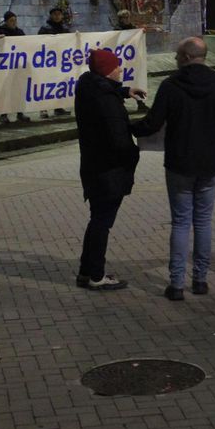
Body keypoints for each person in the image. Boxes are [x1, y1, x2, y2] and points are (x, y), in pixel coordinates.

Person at [131, 37, 215, 301]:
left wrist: (125, 127)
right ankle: (201, 280)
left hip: (180, 164)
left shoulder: (171, 85)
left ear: (185, 56)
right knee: (203, 222)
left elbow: (151, 123)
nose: (174, 59)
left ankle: (177, 284)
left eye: (177, 55)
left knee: (181, 223)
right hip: (210, 165)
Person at [74, 49, 146, 291]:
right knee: (102, 223)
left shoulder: (90, 87)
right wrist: (135, 152)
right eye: (116, 67)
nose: (120, 70)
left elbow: (104, 88)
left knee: (97, 220)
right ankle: (96, 275)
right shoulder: (106, 102)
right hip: (109, 170)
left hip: (94, 167)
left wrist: (125, 91)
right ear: (106, 71)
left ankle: (86, 271)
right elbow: (119, 139)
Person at [0, 12, 31, 123]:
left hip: (19, 67)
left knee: (19, 90)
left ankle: (20, 112)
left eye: (15, 20)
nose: (14, 22)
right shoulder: (1, 32)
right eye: (11, 20)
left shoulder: (19, 32)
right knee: (5, 90)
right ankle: (3, 114)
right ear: (6, 21)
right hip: (6, 68)